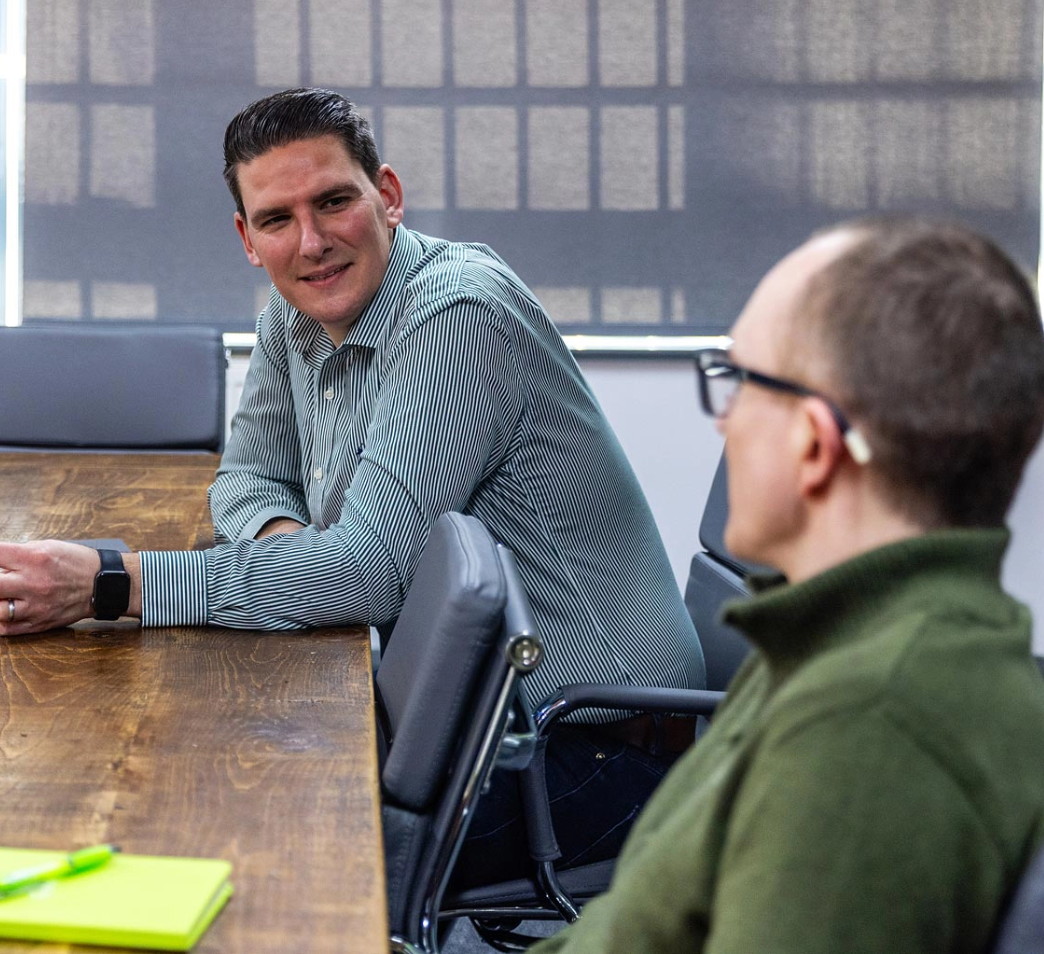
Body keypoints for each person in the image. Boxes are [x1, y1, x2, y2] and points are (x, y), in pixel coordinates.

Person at [0, 88, 703, 881]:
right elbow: (246, 479)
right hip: (465, 722)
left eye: (334, 201)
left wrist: (108, 584)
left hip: (588, 751)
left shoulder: (457, 315)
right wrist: (295, 551)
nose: (311, 242)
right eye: (277, 219)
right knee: (191, 785)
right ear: (247, 237)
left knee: (245, 846)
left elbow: (365, 574)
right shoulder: (292, 312)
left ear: (388, 196)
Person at [527, 216, 1044, 954]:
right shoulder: (820, 640)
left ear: (813, 444)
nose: (723, 423)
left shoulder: (871, 727)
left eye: (739, 382)